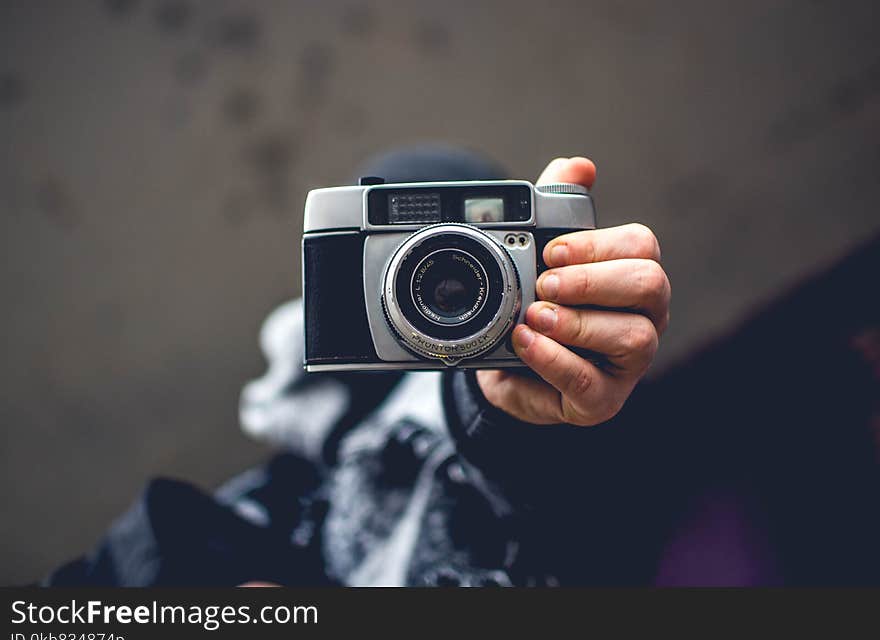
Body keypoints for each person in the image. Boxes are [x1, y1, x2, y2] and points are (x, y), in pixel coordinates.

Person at [45, 146, 880, 586]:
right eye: (397, 250)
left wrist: (509, 412)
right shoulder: (224, 524)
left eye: (479, 246)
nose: (443, 278)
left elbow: (547, 495)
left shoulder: (523, 438)